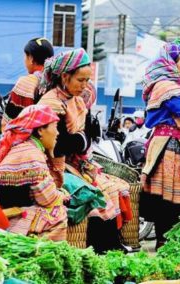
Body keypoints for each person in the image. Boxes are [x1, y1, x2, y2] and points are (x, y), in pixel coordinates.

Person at [38, 48, 130, 253]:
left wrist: (80, 140)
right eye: (80, 80)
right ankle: (103, 249)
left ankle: (111, 246)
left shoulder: (77, 101)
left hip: (75, 163)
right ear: (65, 76)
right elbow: (59, 145)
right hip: (54, 166)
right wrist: (81, 140)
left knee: (114, 186)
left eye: (88, 80)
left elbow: (83, 138)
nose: (85, 85)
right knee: (95, 194)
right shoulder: (51, 102)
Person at [140, 41, 180, 250]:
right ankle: (163, 240)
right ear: (171, 63)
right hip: (169, 147)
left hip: (179, 146)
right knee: (166, 197)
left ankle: (169, 240)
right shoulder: (166, 86)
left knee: (177, 197)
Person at [0, 105, 67, 241]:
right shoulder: (32, 154)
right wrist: (62, 195)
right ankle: (42, 253)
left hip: (8, 208)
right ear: (40, 130)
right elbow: (47, 199)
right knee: (58, 213)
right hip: (15, 215)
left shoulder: (24, 148)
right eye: (55, 127)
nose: (57, 133)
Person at [2, 38, 54, 128]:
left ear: (31, 58)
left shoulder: (26, 82)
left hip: (30, 139)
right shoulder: (56, 80)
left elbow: (8, 122)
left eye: (25, 56)